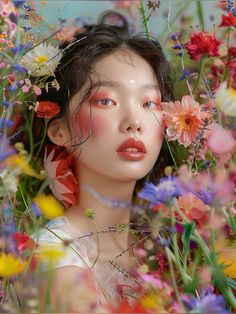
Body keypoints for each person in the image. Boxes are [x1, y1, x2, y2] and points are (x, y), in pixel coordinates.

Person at [34, 11, 173, 312]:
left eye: (150, 103)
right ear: (59, 130)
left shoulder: (167, 247)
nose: (134, 121)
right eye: (106, 101)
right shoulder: (58, 258)